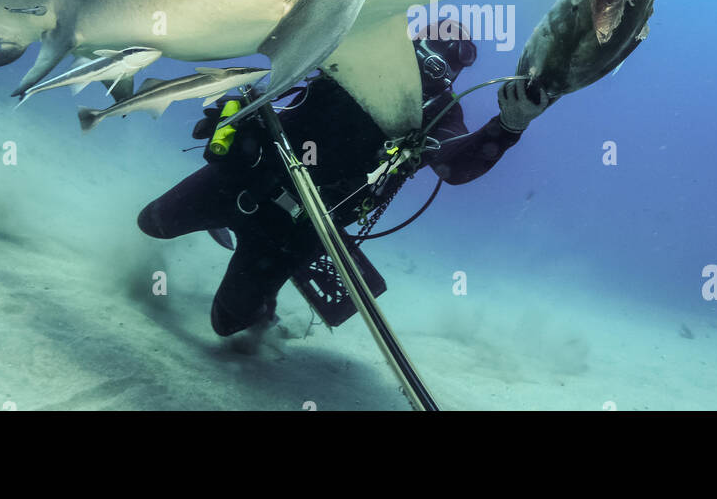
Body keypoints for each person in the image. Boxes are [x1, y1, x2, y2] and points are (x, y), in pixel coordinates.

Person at [137, 22, 550, 335]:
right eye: (428, 54)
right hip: (245, 177)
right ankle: (224, 226)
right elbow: (285, 49)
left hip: (297, 231)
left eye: (446, 68)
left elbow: (454, 166)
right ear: (408, 43)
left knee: (226, 324)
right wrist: (236, 115)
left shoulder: (439, 115)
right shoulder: (353, 54)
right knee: (152, 222)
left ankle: (265, 306)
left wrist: (507, 128)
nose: (433, 70)